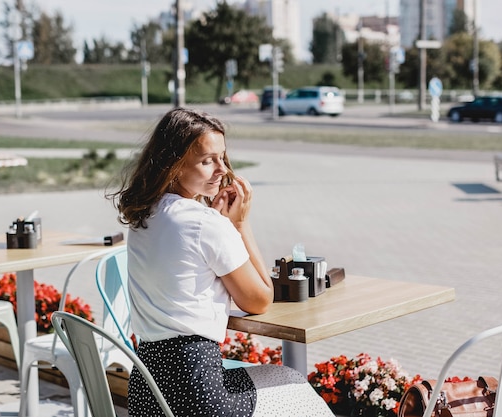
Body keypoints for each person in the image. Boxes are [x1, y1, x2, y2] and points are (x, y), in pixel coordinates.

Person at [108, 107, 334, 416]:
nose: (222, 170)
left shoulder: (144, 216)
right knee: (295, 386)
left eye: (222, 157)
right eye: (206, 161)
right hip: (196, 396)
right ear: (174, 167)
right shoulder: (205, 224)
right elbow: (259, 299)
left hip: (148, 393)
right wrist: (240, 225)